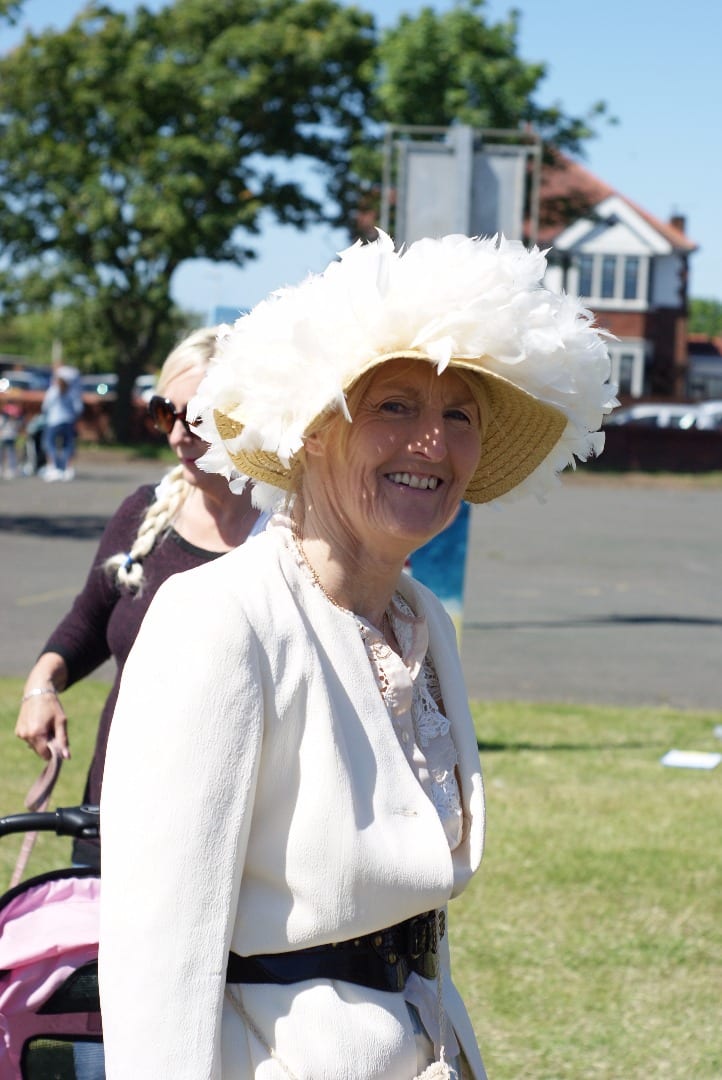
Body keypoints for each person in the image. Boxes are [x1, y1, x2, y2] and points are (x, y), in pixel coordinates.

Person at [98, 232, 616, 1080]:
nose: (433, 444)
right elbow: (156, 952)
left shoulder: (422, 622)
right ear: (311, 432)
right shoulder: (219, 617)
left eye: (460, 416)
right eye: (394, 407)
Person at [15, 326, 264, 869]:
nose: (179, 434)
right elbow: (88, 620)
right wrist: (41, 684)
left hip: (236, 842)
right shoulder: (142, 513)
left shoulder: (291, 534)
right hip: (115, 817)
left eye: (199, 414)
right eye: (164, 413)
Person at [40, 364, 84, 481]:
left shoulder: (53, 390)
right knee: (67, 445)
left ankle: (53, 467)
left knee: (50, 444)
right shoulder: (72, 392)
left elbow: (45, 406)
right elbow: (78, 408)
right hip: (68, 420)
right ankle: (66, 468)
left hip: (53, 421)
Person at [0, 402, 23, 478]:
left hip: (7, 437)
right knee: (8, 453)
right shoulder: (13, 420)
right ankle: (10, 469)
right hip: (7, 437)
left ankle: (10, 469)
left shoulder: (7, 419)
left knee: (9, 453)